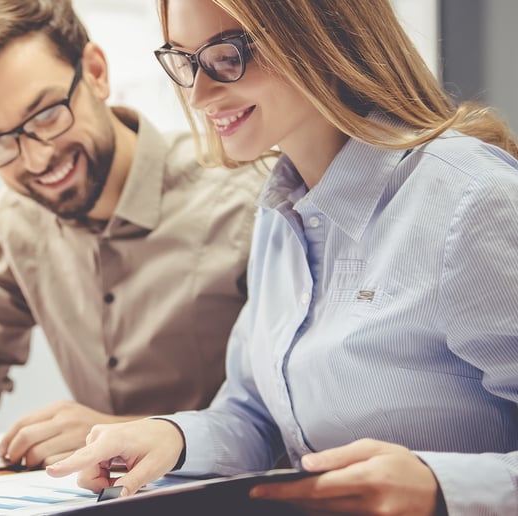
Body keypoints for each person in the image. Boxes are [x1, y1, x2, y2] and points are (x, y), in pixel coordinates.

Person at [46, 0, 518, 514]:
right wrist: (172, 437)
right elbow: (257, 418)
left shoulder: (471, 200)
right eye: (185, 61)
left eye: (228, 56)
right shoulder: (280, 212)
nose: (200, 95)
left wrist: (440, 485)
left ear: (322, 35)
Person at [0, 0, 266, 468]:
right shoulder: (18, 219)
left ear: (96, 72)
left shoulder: (245, 198)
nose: (37, 159)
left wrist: (119, 432)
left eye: (45, 115)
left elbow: (276, 417)